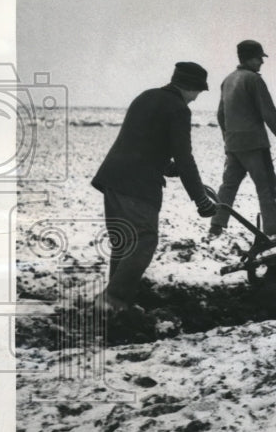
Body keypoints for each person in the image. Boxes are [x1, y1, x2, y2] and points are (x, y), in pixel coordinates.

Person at [92, 62, 217, 314]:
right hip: (138, 185)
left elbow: (145, 143)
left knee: (124, 241)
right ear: (190, 87)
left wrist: (169, 169)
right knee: (143, 240)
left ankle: (116, 302)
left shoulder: (146, 96)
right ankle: (112, 300)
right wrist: (200, 200)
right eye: (197, 92)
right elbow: (184, 157)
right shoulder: (179, 109)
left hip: (113, 178)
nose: (195, 99)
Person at [208, 40, 276, 238]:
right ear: (248, 58)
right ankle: (273, 228)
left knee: (228, 186)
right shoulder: (254, 80)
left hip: (233, 145)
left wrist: (228, 139)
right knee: (266, 186)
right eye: (259, 58)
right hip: (255, 145)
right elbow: (267, 109)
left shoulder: (228, 80)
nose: (261, 62)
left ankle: (216, 224)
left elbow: (221, 115)